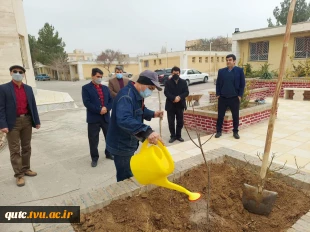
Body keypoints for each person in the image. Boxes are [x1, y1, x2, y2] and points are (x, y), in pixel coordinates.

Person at [106, 70, 164, 182]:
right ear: (142, 83)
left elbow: (139, 110)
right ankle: (124, 196)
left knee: (129, 171)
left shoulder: (136, 94)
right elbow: (124, 119)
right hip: (121, 144)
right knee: (125, 177)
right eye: (150, 88)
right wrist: (148, 132)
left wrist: (153, 113)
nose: (150, 92)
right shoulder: (126, 96)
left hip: (128, 141)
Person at [0, 65, 40, 187]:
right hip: (13, 123)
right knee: (15, 150)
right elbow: (0, 108)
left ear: (23, 74)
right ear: (11, 73)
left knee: (26, 147)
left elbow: (33, 105)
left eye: (20, 72)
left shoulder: (28, 88)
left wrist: (36, 121)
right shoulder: (3, 88)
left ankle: (26, 169)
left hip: (27, 120)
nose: (18, 73)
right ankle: (19, 175)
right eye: (15, 71)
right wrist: (3, 124)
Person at [82, 68, 114, 167]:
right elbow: (87, 103)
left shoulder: (105, 88)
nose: (99, 78)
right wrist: (99, 109)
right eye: (97, 76)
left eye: (101, 77)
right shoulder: (86, 88)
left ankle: (108, 153)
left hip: (105, 118)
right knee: (93, 139)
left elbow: (110, 101)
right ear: (92, 76)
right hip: (93, 119)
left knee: (109, 137)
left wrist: (106, 108)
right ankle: (94, 158)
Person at [215, 54, 245, 139]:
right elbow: (218, 84)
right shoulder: (221, 71)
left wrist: (240, 95)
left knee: (235, 116)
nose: (228, 61)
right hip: (223, 98)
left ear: (234, 61)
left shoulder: (239, 71)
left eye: (230, 60)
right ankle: (218, 131)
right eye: (227, 60)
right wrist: (218, 94)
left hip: (234, 98)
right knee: (220, 116)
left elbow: (242, 84)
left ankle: (235, 132)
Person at [164, 66, 189, 143]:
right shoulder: (168, 82)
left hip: (180, 105)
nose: (176, 75)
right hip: (170, 105)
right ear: (171, 73)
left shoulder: (183, 82)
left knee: (180, 122)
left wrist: (179, 97)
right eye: (174, 73)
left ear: (179, 74)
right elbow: (166, 92)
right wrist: (174, 98)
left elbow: (186, 92)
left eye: (177, 73)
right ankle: (173, 136)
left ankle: (178, 136)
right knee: (171, 122)